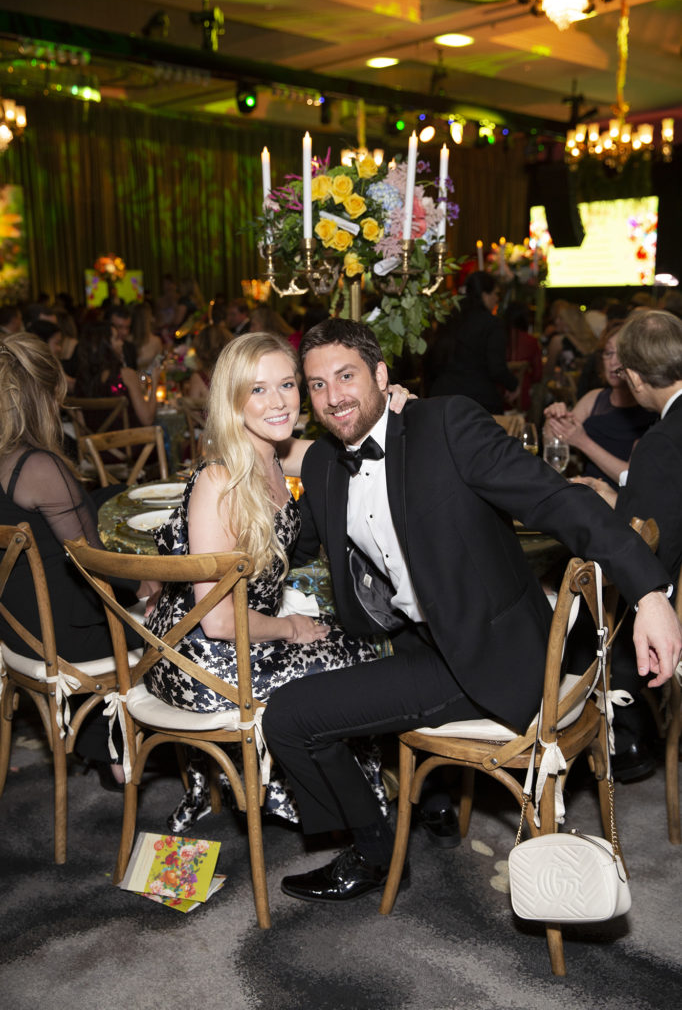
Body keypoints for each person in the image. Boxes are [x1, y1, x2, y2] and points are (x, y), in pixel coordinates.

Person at [261, 317, 682, 904]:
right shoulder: (325, 468)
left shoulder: (446, 424)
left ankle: (380, 846)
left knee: (289, 715)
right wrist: (244, 473)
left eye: (346, 376)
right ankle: (394, 831)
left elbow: (560, 503)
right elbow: (294, 549)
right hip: (416, 646)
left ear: (381, 376)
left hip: (489, 655)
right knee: (292, 707)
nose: (333, 397)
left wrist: (650, 594)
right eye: (317, 385)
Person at [144, 333, 410, 833]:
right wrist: (290, 627)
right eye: (258, 389)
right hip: (199, 657)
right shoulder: (220, 481)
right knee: (355, 661)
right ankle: (350, 812)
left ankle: (350, 804)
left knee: (364, 642)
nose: (278, 401)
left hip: (249, 636)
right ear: (232, 398)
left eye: (287, 384)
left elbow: (357, 440)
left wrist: (395, 409)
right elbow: (219, 620)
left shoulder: (273, 453)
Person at [0, 333, 145, 789]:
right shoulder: (39, 467)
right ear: (45, 396)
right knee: (181, 610)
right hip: (67, 643)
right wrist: (151, 589)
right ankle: (128, 744)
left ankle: (97, 736)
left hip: (16, 631)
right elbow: (96, 563)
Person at [573, 308, 682, 779]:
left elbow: (646, 539)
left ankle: (622, 741)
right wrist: (617, 494)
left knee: (578, 617)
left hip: (672, 590)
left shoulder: (663, 439)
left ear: (635, 378)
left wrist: (601, 506)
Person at [544, 321, 656, 489]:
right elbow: (554, 445)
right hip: (586, 492)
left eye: (622, 354)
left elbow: (634, 477)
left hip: (622, 502)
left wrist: (583, 442)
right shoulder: (594, 398)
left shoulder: (650, 408)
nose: (613, 362)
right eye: (608, 353)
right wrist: (552, 421)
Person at [428, 271, 519, 413]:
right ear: (484, 295)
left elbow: (434, 360)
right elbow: (497, 368)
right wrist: (514, 385)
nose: (497, 299)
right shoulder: (491, 324)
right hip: (477, 402)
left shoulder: (448, 318)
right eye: (495, 294)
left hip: (441, 398)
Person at [75, 321, 160, 428]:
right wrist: (154, 382)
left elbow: (81, 426)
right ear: (105, 345)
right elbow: (147, 419)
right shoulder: (126, 375)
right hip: (129, 442)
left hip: (95, 444)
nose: (121, 343)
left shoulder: (81, 380)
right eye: (116, 339)